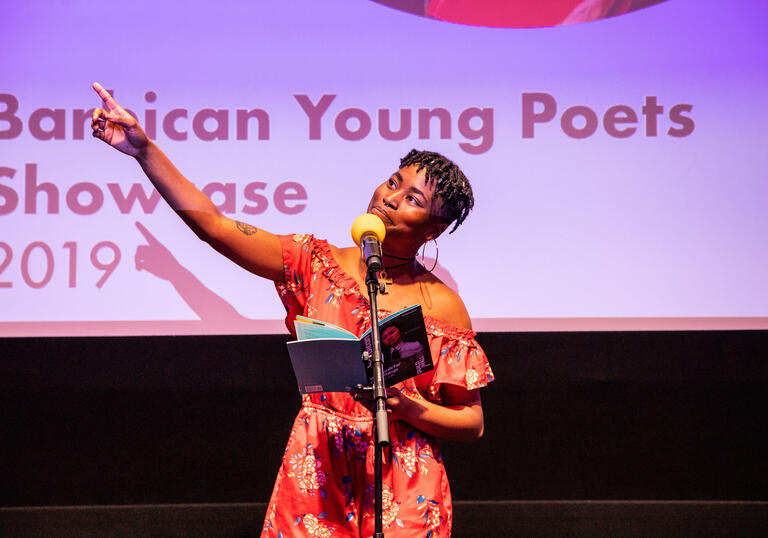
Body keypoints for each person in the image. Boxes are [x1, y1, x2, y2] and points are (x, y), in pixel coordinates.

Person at [90, 82, 494, 537]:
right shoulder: (313, 261)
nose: (391, 198)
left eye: (413, 199)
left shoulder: (441, 303)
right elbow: (215, 225)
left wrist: (405, 407)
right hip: (319, 466)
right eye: (394, 182)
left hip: (404, 479)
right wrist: (146, 152)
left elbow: (471, 422)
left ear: (434, 229)